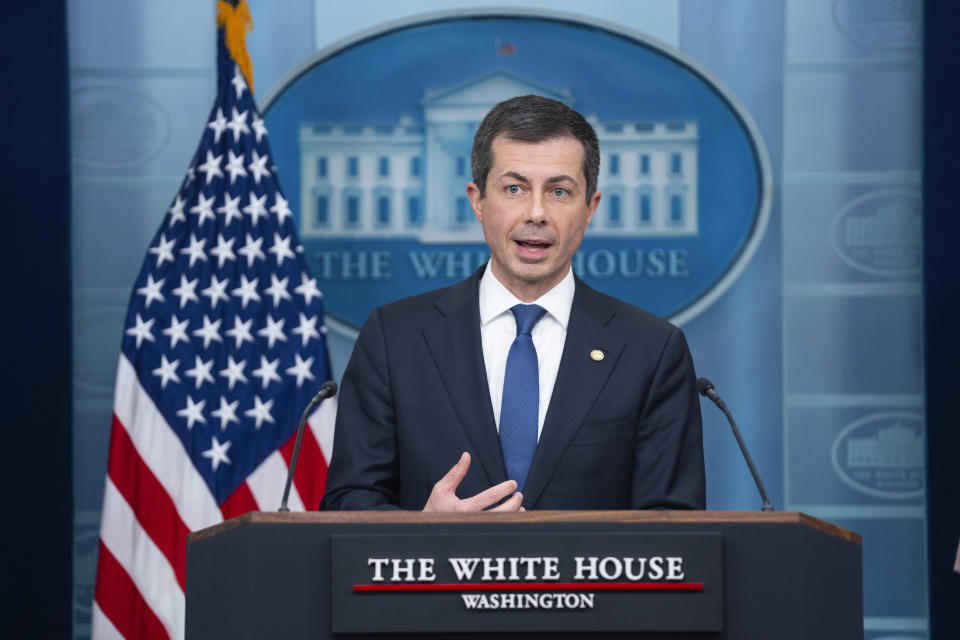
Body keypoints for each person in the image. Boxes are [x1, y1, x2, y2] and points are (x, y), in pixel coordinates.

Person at [320, 95, 705, 512]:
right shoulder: (394, 339)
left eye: (559, 191)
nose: (536, 212)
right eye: (514, 188)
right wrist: (422, 533)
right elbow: (349, 504)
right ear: (478, 201)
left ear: (590, 207)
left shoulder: (651, 350)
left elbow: (674, 526)